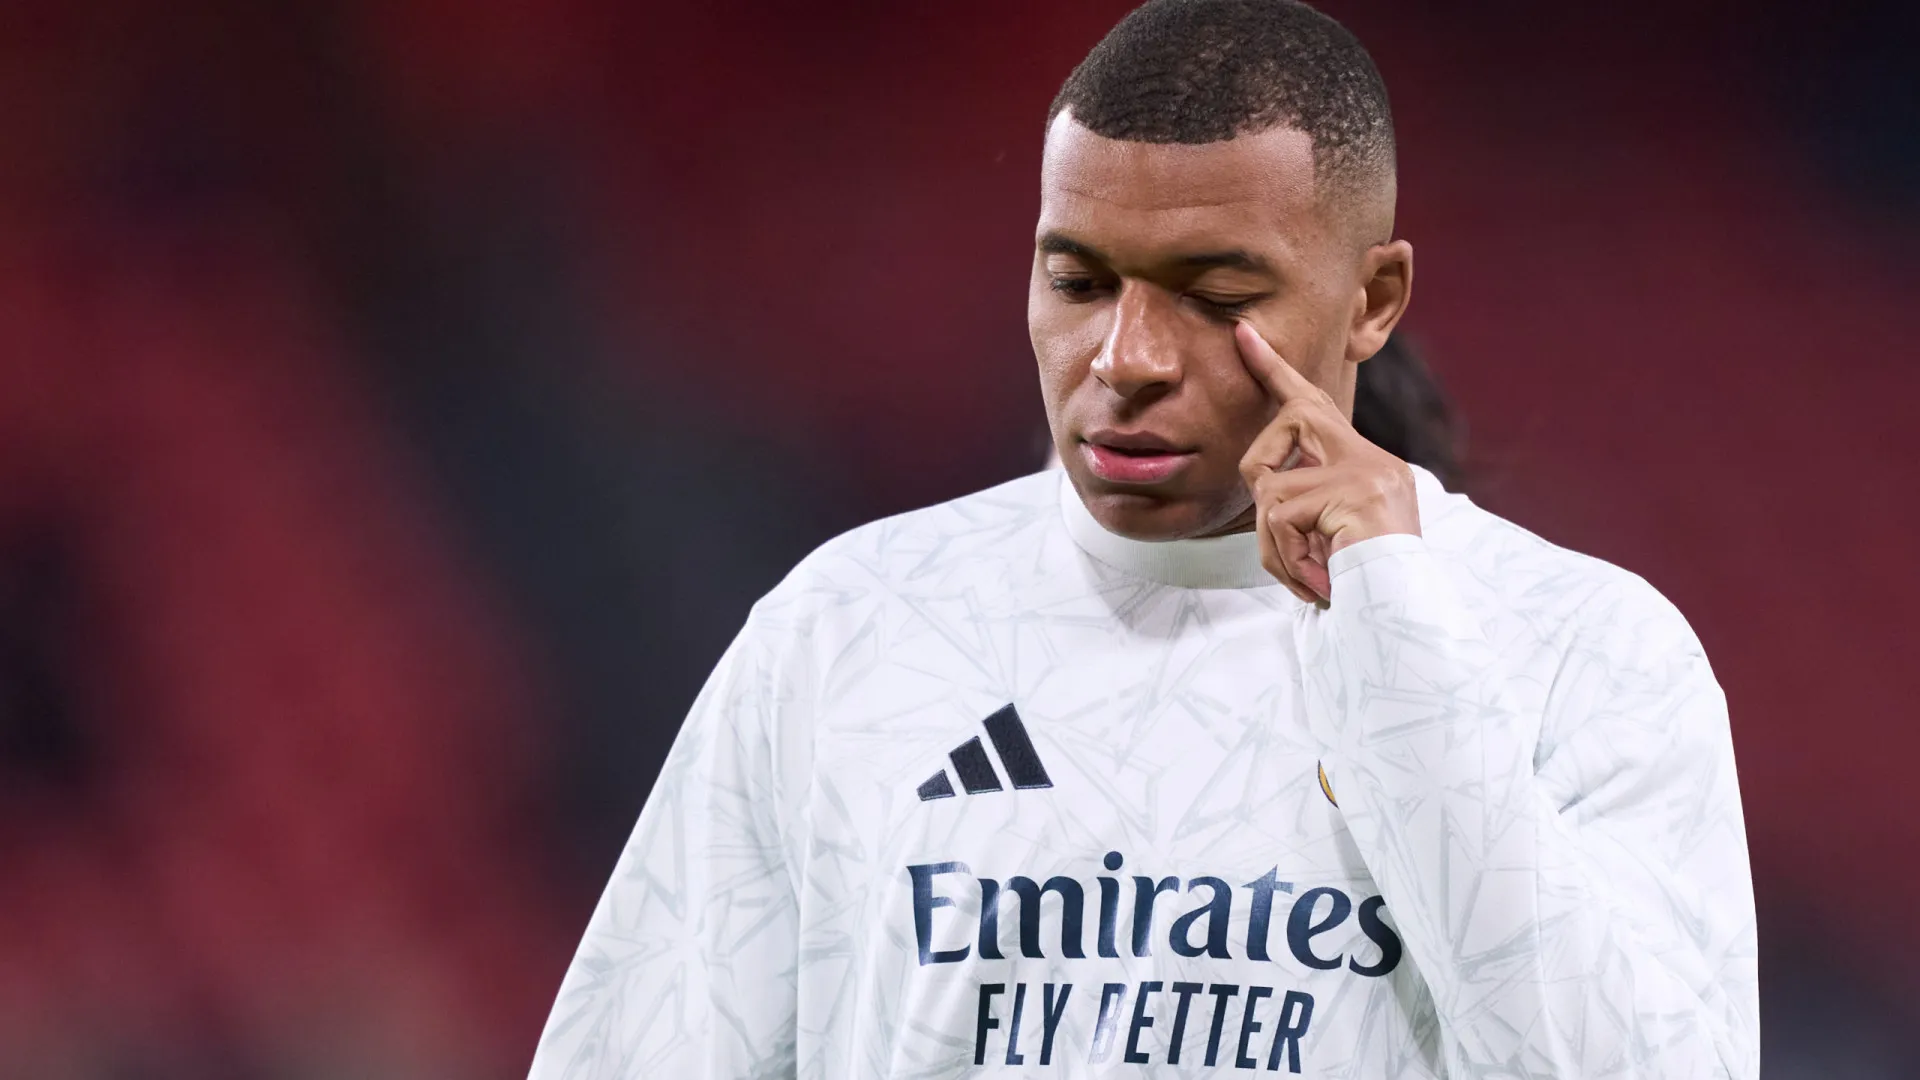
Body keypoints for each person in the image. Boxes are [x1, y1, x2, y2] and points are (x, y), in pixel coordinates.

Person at [527, 1, 1758, 1076]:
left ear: (1373, 301)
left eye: (1215, 298)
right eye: (1077, 282)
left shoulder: (1584, 656)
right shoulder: (849, 633)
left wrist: (1402, 650)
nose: (1124, 359)